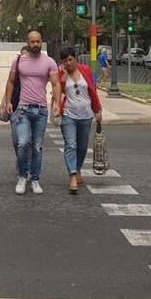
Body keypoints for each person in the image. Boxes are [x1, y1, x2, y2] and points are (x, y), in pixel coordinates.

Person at [4, 30, 60, 195]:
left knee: (37, 147)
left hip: (41, 110)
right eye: (32, 42)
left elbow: (56, 84)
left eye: (38, 41)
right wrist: (8, 102)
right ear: (27, 42)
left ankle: (35, 179)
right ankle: (22, 176)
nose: (35, 44)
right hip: (23, 109)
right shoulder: (19, 60)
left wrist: (57, 102)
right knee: (22, 144)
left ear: (41, 41)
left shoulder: (49, 62)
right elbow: (11, 81)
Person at [57, 46, 102, 194]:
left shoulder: (85, 70)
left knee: (82, 147)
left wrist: (98, 110)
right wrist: (62, 80)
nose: (68, 63)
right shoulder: (60, 74)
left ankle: (78, 168)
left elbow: (92, 91)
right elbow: (58, 92)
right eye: (65, 61)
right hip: (69, 115)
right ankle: (73, 176)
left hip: (86, 115)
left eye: (70, 59)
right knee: (70, 145)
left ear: (75, 59)